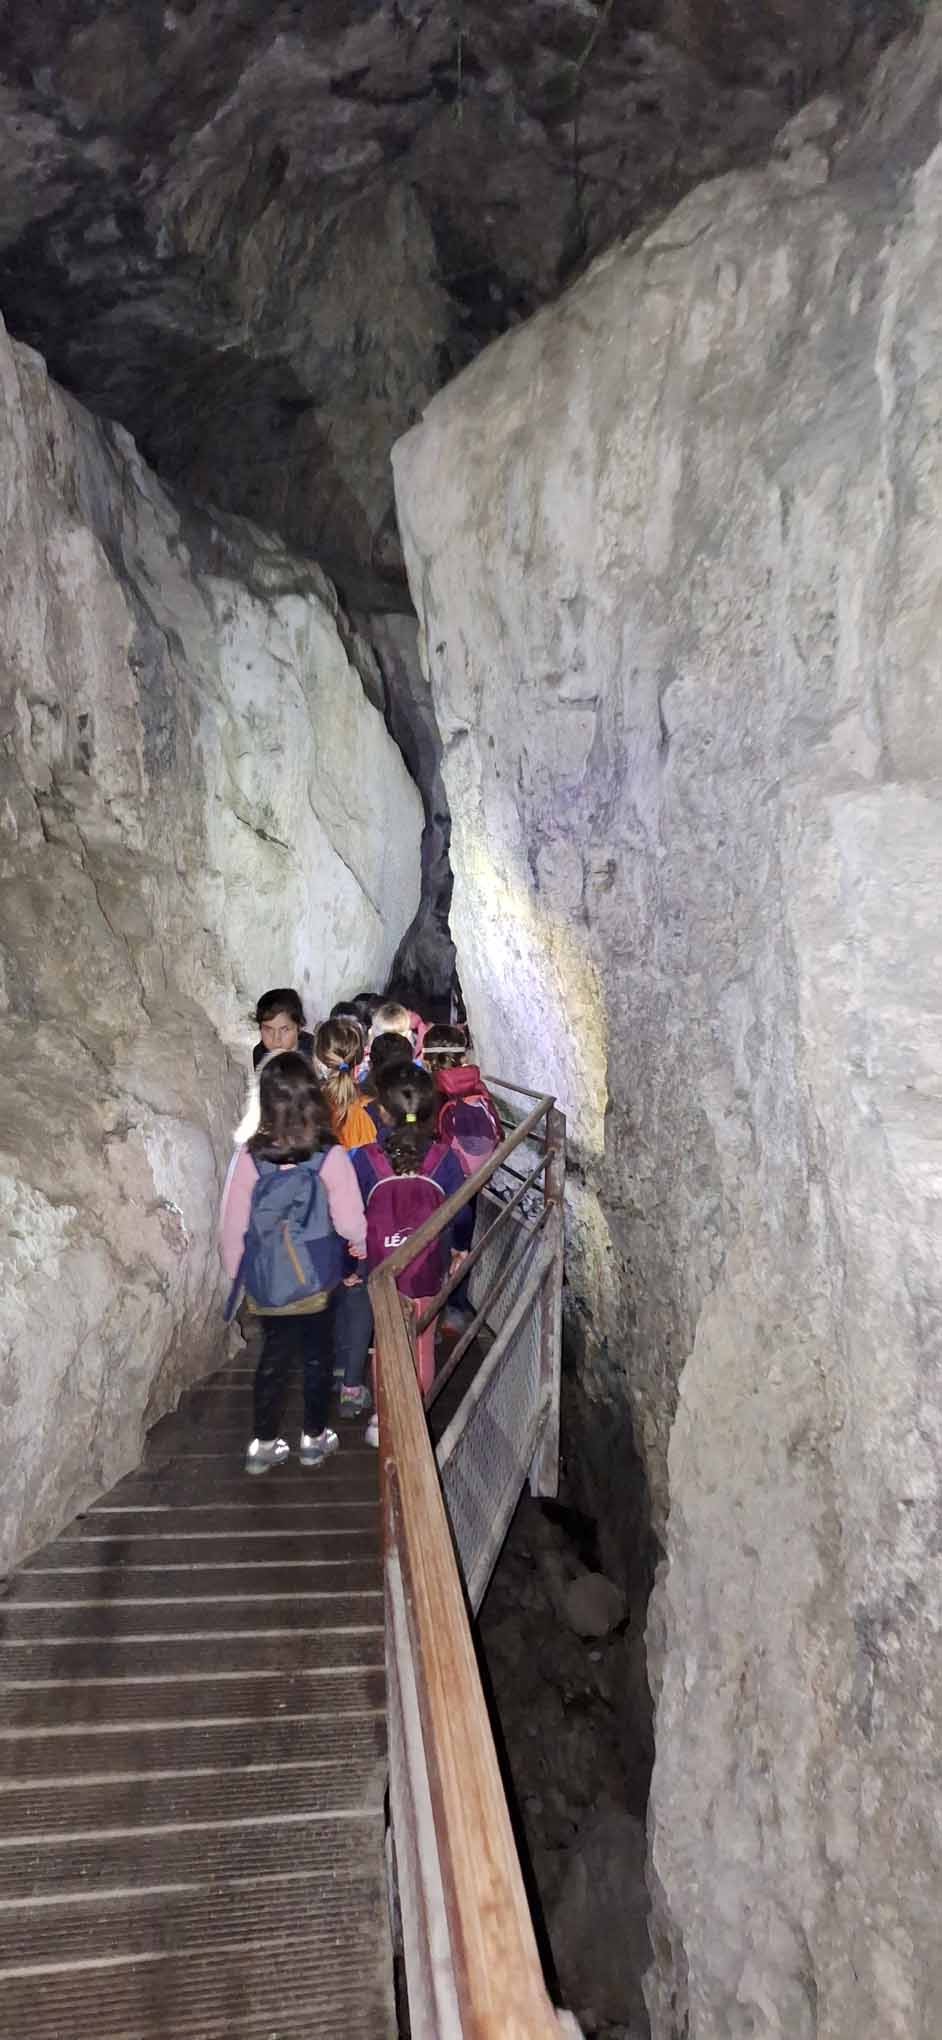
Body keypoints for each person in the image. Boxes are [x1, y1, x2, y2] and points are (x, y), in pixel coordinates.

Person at [219, 1052, 367, 1472]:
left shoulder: (249, 1157)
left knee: (274, 1358)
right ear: (314, 1098)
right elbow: (350, 1220)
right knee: (318, 1357)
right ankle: (314, 1439)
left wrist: (237, 1270)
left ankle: (263, 1445)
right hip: (317, 1278)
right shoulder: (328, 1155)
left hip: (269, 1280)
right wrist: (359, 1245)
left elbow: (232, 1223)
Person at [352, 1067, 466, 1428]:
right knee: (421, 1343)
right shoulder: (446, 1159)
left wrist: (349, 1265)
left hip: (381, 1270)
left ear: (383, 1112)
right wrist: (459, 1249)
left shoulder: (366, 1158)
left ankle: (382, 1420)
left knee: (385, 1343)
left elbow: (350, 1215)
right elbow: (461, 1212)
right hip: (428, 1268)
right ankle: (417, 1418)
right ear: (431, 1110)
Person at [422, 1025, 503, 1326]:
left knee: (434, 1245)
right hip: (472, 1182)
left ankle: (429, 1307)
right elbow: (498, 1132)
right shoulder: (478, 1089)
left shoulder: (430, 1091)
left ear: (426, 1057)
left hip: (440, 1182)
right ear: (463, 1056)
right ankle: (455, 1308)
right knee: (462, 1244)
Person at [252, 988, 314, 1070]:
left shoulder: (317, 1053)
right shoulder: (259, 1053)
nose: (276, 1040)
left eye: (285, 1030)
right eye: (268, 1030)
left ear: (299, 1027)